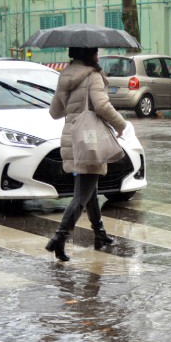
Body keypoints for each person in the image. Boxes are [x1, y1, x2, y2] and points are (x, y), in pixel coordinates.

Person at [46, 46, 128, 262]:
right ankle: (59, 238)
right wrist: (121, 125)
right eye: (96, 52)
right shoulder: (93, 76)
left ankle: (99, 234)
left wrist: (73, 104)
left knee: (89, 188)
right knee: (81, 195)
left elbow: (55, 112)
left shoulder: (65, 76)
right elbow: (102, 105)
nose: (98, 56)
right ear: (89, 54)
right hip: (89, 139)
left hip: (73, 138)